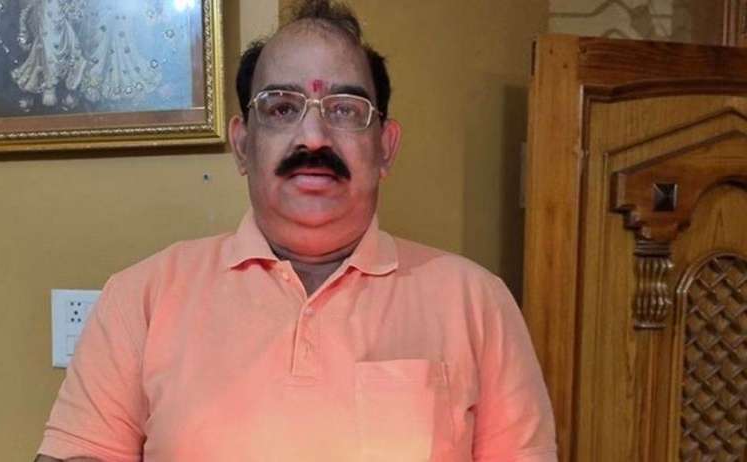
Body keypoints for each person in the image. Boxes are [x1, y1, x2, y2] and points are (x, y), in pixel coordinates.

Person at [35, 1, 556, 460]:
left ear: (385, 147)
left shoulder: (476, 303)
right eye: (282, 108)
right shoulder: (140, 299)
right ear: (243, 144)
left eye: (345, 110)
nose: (313, 137)